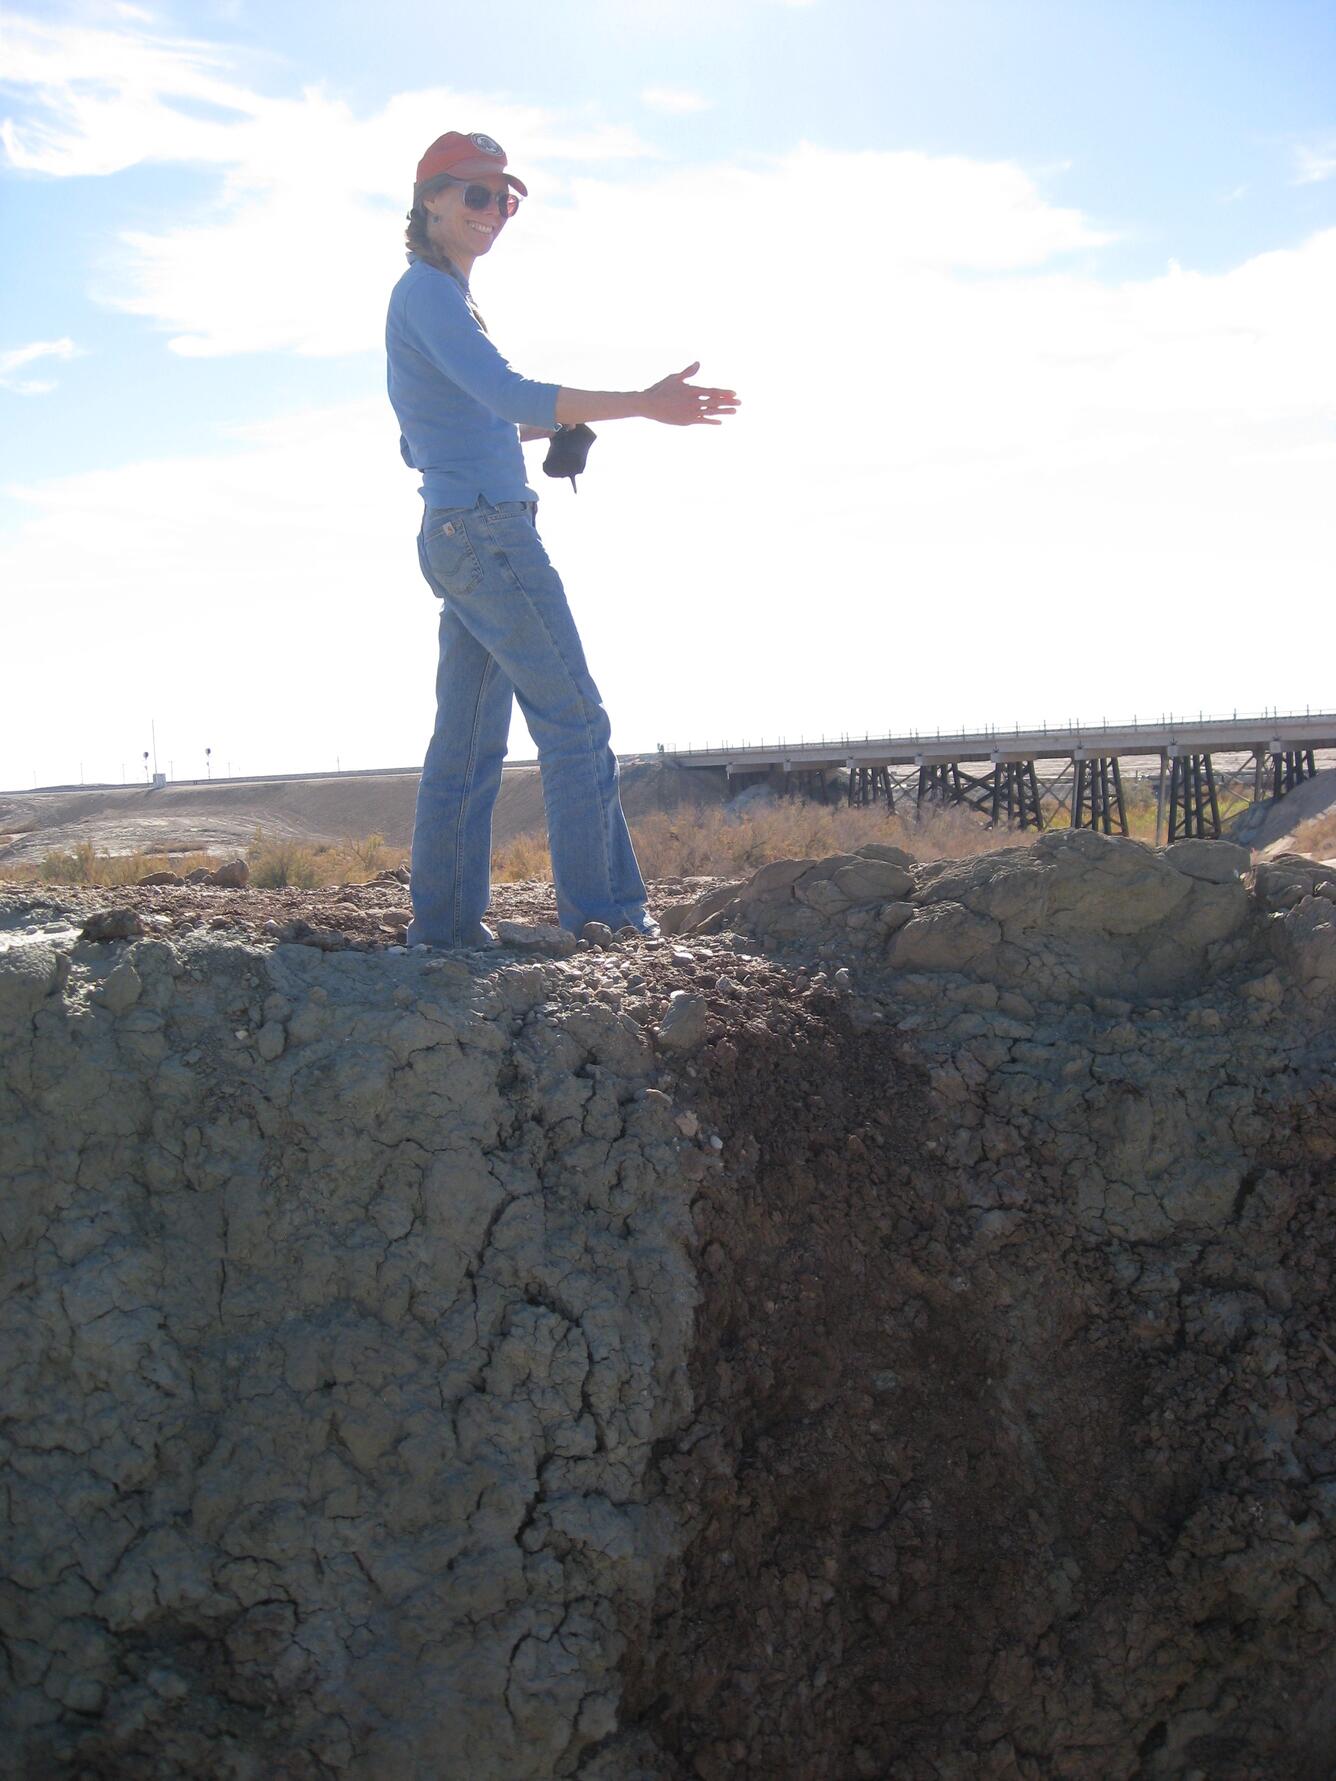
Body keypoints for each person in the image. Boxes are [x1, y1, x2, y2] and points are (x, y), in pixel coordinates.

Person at [386, 130, 739, 949]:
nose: (493, 212)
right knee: (575, 721)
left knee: (467, 744)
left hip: (459, 531)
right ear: (431, 199)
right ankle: (604, 914)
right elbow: (507, 390)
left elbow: (432, 436)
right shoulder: (429, 295)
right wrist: (641, 403)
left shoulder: (436, 300)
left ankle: (441, 928)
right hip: (488, 534)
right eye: (476, 195)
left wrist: (543, 433)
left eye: (504, 199)